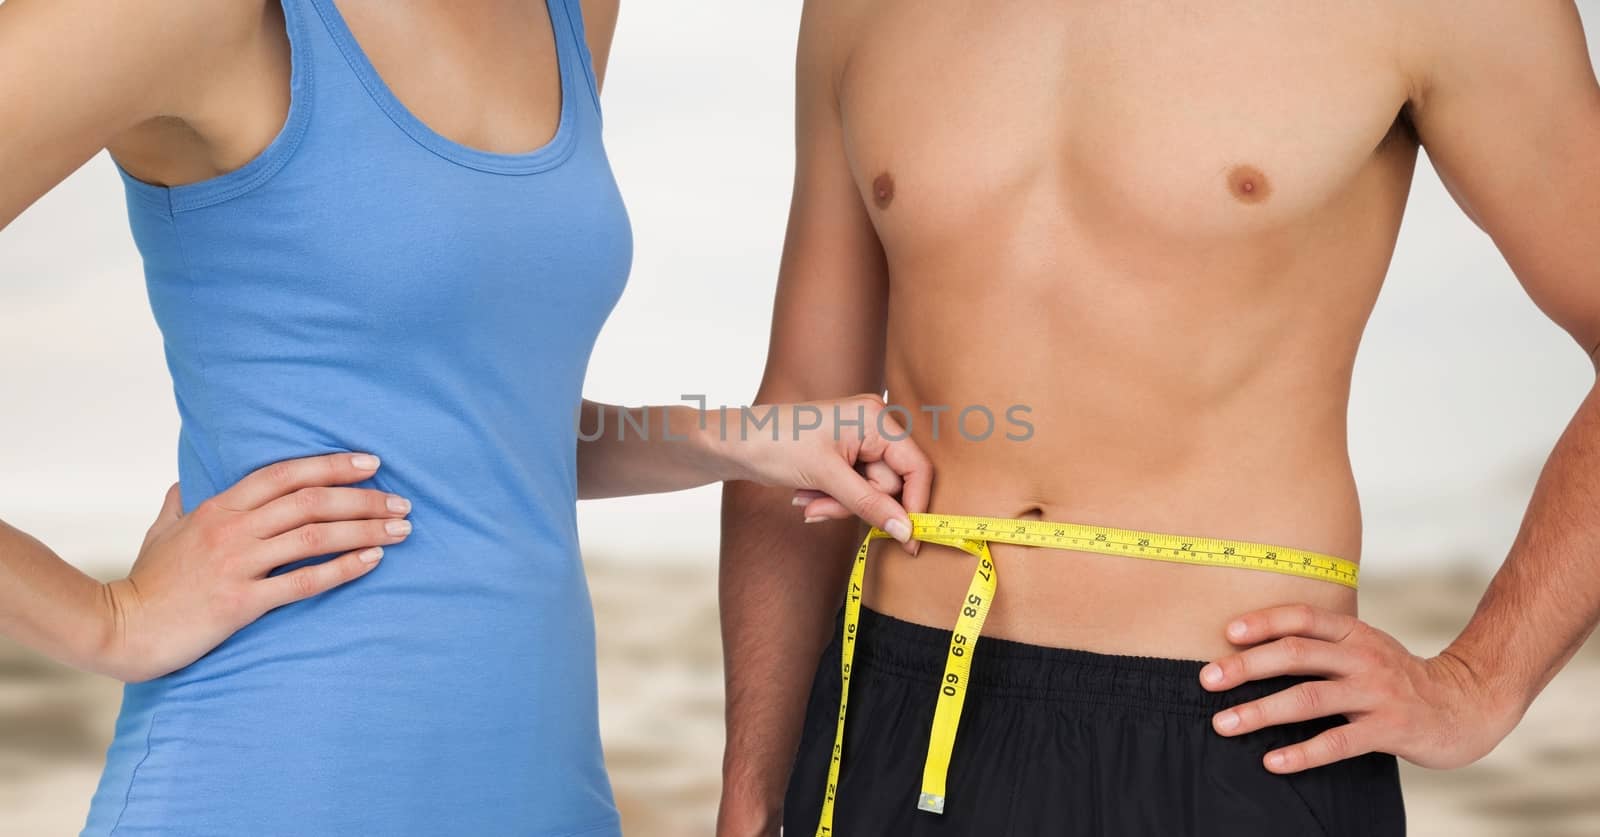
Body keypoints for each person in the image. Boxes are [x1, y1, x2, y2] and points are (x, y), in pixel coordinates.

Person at [0, 1, 929, 834]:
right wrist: (108, 620)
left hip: (544, 789)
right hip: (266, 777)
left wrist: (742, 439)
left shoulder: (569, 14)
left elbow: (479, 432)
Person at [718, 1, 1600, 835]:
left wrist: (1480, 681)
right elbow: (797, 418)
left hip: (1235, 725)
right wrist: (749, 798)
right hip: (892, 702)